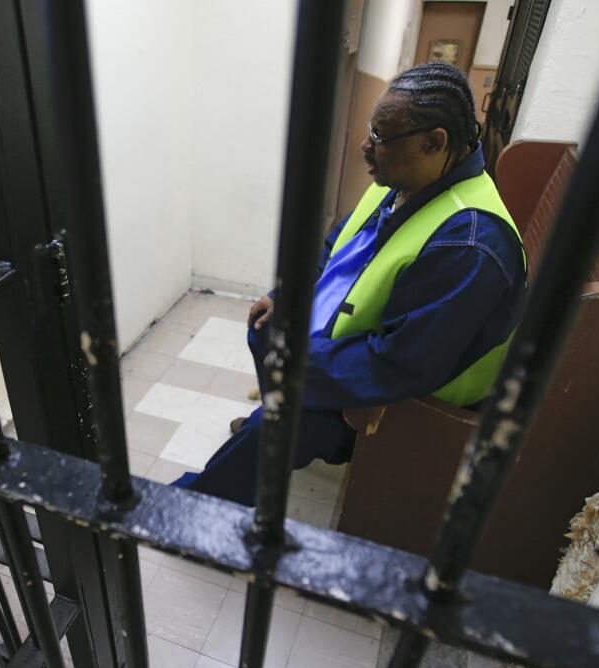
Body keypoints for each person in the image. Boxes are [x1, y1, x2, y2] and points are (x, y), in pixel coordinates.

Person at [173, 62, 528, 507]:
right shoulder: (404, 180)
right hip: (369, 346)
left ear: (434, 142)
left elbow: (403, 364)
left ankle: (191, 504)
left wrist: (303, 364)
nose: (365, 145)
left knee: (281, 424)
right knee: (264, 326)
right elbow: (334, 250)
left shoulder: (471, 243)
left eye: (381, 137)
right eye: (370, 130)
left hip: (410, 396)